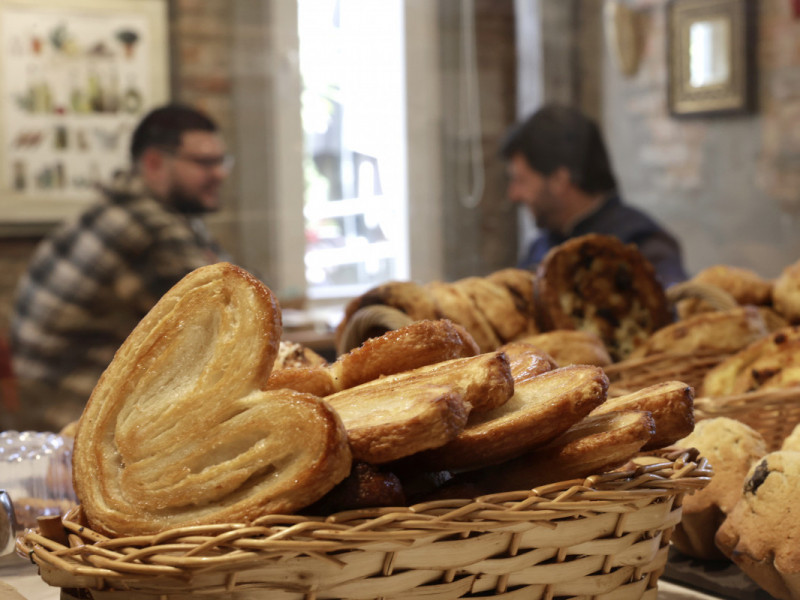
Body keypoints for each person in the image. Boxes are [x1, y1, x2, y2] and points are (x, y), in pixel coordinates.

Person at [6, 103, 235, 432]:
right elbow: (223, 318)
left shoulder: (123, 205)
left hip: (49, 397)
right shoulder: (148, 223)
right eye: (204, 162)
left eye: (221, 161)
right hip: (72, 412)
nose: (220, 173)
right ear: (154, 163)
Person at [500, 103, 688, 289]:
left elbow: (673, 309)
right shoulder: (540, 247)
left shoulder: (644, 247)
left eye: (521, 181)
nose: (513, 195)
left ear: (559, 180)